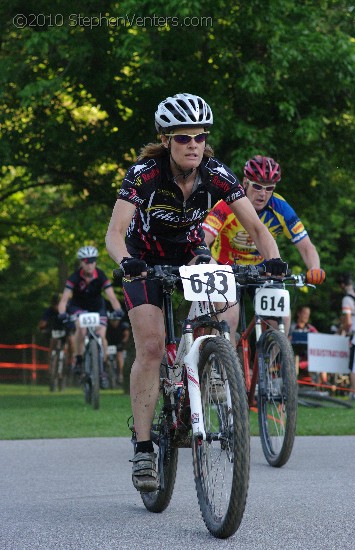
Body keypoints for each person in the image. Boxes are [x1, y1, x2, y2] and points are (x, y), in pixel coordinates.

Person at [105, 93, 289, 493]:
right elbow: (115, 234)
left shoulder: (217, 173)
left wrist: (272, 259)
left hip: (191, 253)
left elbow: (257, 229)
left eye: (200, 137)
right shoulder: (144, 174)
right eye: (183, 138)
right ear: (166, 140)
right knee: (151, 348)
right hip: (143, 259)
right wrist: (126, 263)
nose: (193, 145)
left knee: (226, 303)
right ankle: (142, 447)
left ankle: (213, 364)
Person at [203, 155, 325, 340]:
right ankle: (221, 362)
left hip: (261, 270)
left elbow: (306, 246)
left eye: (269, 189)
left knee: (281, 318)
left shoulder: (280, 207)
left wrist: (315, 268)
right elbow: (205, 239)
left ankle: (275, 366)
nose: (263, 194)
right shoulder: (227, 203)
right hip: (225, 267)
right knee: (230, 318)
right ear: (245, 182)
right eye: (257, 186)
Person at [57, 246, 123, 389]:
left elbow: (111, 296)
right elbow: (64, 300)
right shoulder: (74, 277)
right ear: (81, 262)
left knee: (101, 335)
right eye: (86, 261)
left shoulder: (101, 275)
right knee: (80, 329)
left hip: (98, 308)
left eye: (92, 261)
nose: (89, 264)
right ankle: (79, 359)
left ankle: (103, 367)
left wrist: (118, 310)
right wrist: (62, 313)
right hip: (78, 307)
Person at [289, 305, 327, 385]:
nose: (307, 316)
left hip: (309, 357)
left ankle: (324, 384)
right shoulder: (291, 327)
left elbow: (319, 339)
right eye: (305, 313)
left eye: (308, 314)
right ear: (299, 314)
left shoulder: (310, 328)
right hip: (294, 358)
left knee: (322, 359)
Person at [38, 293, 75, 373]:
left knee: (71, 341)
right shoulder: (49, 310)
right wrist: (42, 327)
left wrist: (72, 327)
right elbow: (43, 322)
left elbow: (74, 319)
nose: (56, 307)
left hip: (67, 329)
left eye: (58, 304)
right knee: (52, 344)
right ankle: (51, 365)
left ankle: (70, 361)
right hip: (56, 330)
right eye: (55, 304)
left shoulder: (68, 309)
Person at [106, 300, 131, 386]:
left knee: (119, 354)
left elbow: (126, 335)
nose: (114, 322)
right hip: (109, 344)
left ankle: (120, 374)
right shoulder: (107, 326)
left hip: (118, 343)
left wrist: (123, 343)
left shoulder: (123, 325)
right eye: (113, 320)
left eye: (116, 320)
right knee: (105, 355)